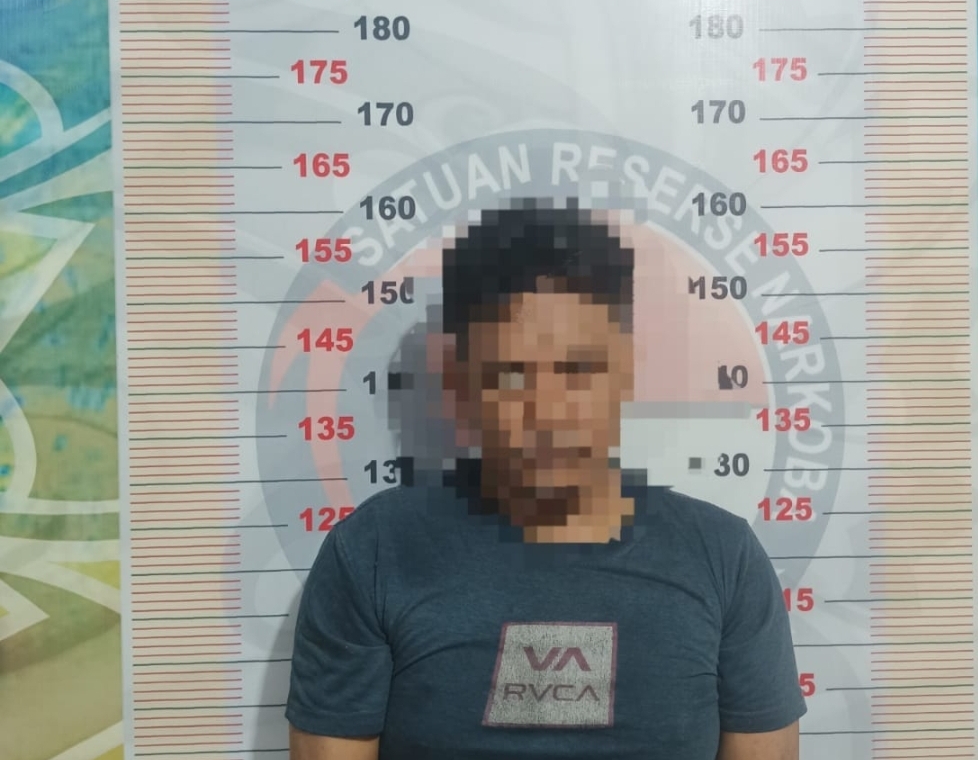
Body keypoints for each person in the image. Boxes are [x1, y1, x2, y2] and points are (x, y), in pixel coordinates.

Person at [286, 202, 805, 760]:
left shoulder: (724, 561)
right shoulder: (372, 555)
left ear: (627, 370)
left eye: (579, 370)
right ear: (460, 383)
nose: (548, 413)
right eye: (509, 376)